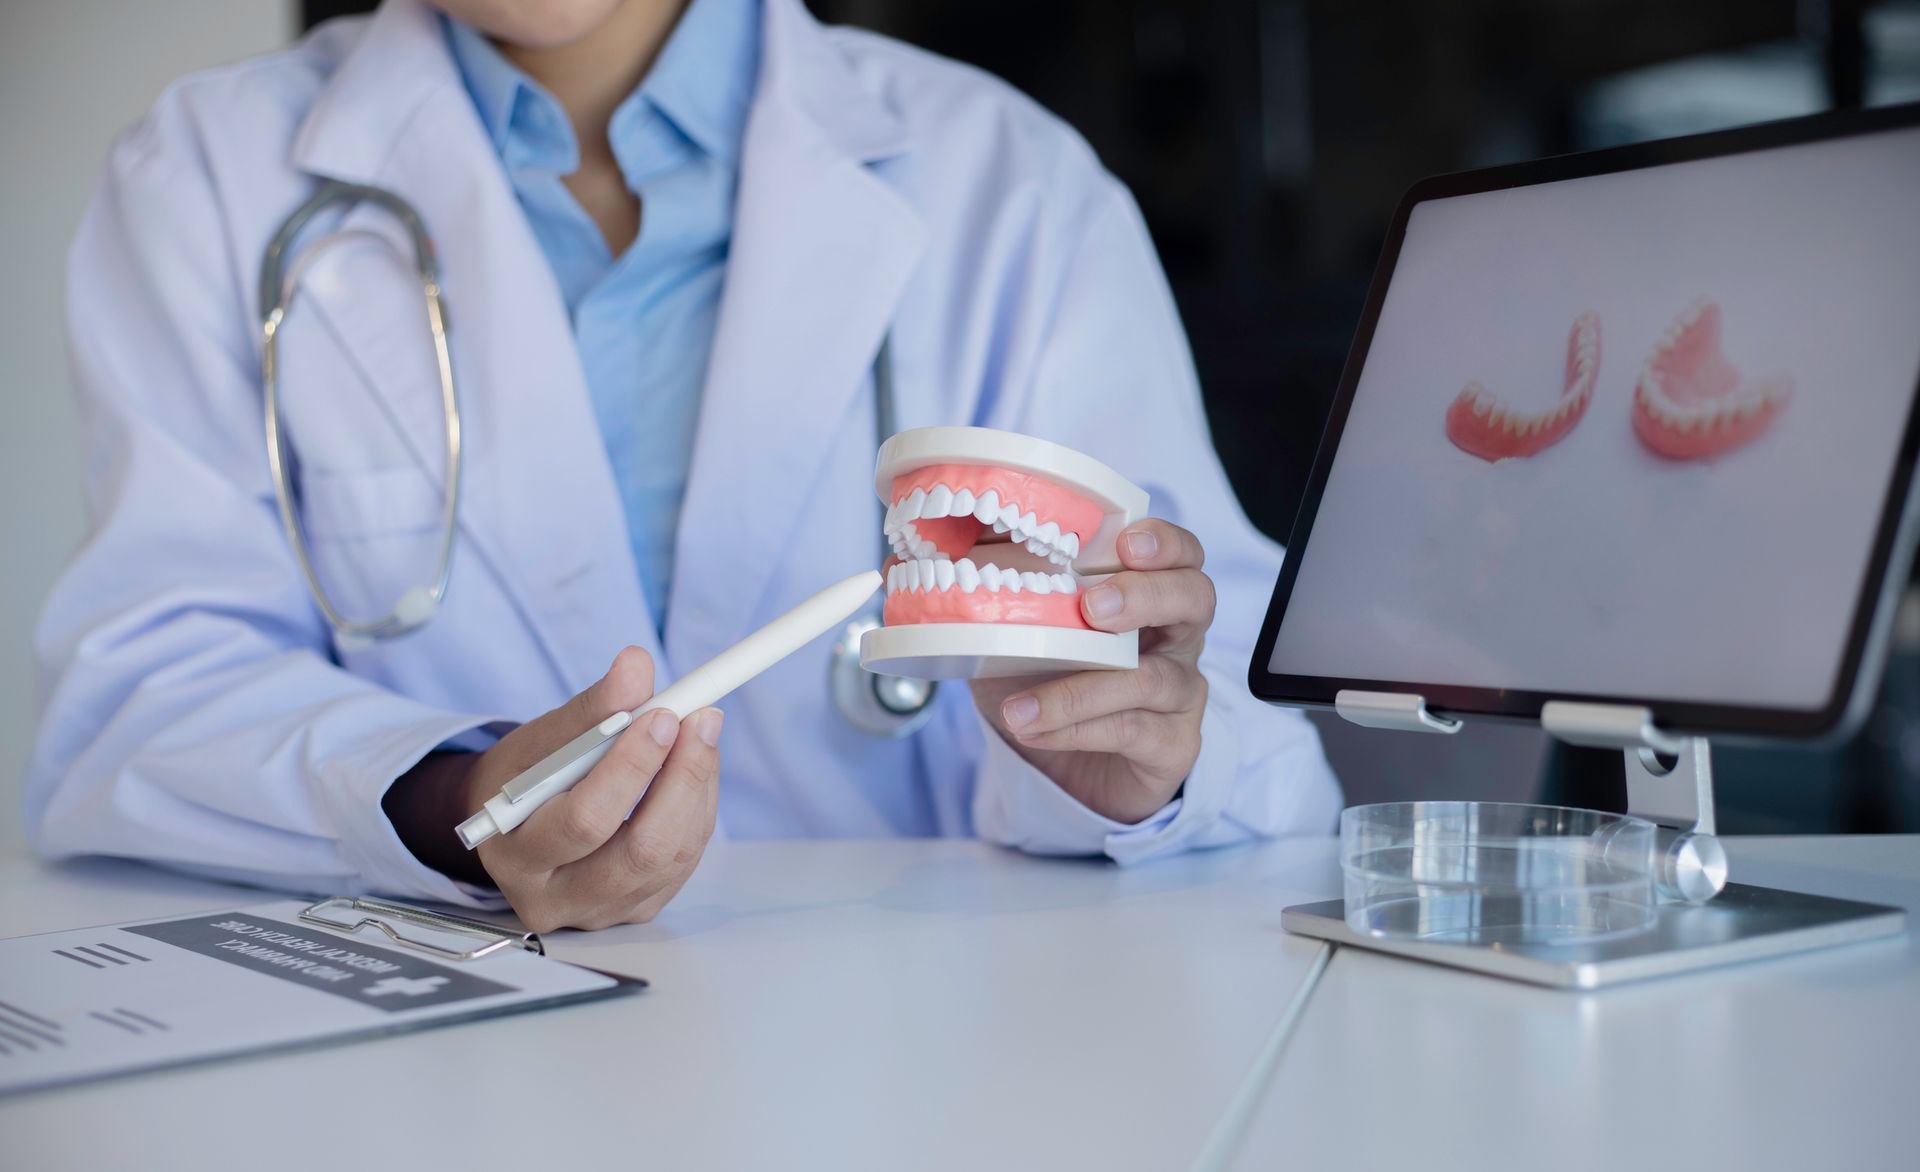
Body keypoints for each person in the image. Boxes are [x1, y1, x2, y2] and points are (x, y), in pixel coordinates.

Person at [26, 0, 1339, 931]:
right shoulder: (206, 176)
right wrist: (457, 801)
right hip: (446, 1076)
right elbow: (136, 706)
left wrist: (1142, 762)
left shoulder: (1012, 187)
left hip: (929, 1060)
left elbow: (1245, 715)